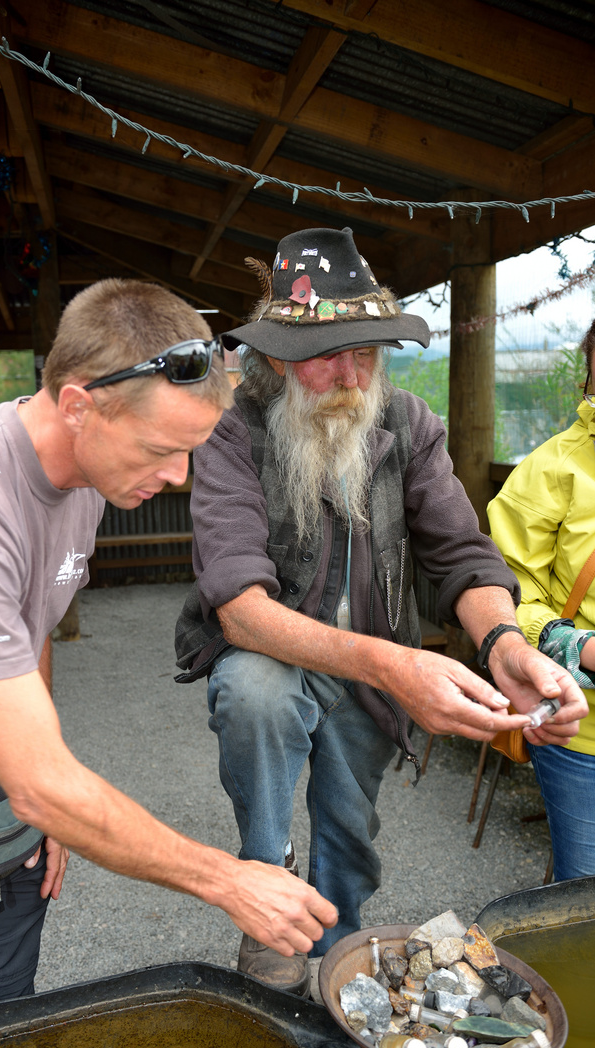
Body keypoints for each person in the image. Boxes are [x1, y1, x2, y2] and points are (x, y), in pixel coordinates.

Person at [0, 277, 337, 1023]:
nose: (178, 479)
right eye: (162, 449)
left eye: (190, 451)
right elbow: (39, 778)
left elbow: (31, 636)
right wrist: (228, 878)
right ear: (79, 405)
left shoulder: (88, 478)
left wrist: (42, 804)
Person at [174, 227, 586, 996]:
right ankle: (265, 883)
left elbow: (462, 553)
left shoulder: (409, 425)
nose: (351, 374)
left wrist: (502, 642)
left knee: (350, 835)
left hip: (370, 672)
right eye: (330, 353)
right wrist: (397, 664)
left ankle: (335, 963)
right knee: (253, 689)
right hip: (291, 653)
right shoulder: (234, 434)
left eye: (367, 351)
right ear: (275, 356)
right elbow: (237, 608)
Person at [488, 318, 595, 882]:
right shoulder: (552, 469)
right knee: (581, 903)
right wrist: (582, 647)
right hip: (582, 730)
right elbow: (504, 597)